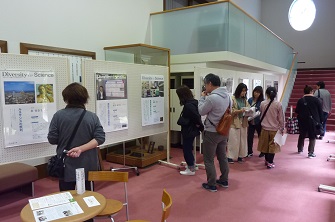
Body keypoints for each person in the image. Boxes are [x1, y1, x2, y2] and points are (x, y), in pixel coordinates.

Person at [48, 83, 105, 192]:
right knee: (87, 196)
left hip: (66, 164)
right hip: (88, 164)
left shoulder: (58, 116)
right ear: (84, 98)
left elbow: (52, 139)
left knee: (67, 196)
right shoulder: (92, 117)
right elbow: (100, 138)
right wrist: (80, 148)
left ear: (66, 99)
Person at [198, 73, 230, 192]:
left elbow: (201, 111)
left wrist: (202, 98)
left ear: (210, 83)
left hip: (211, 132)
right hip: (224, 131)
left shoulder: (212, 98)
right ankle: (224, 180)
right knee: (222, 156)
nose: (205, 87)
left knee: (208, 159)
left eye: (205, 84)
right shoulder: (227, 96)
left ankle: (211, 183)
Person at [176, 85, 204, 176]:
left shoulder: (188, 105)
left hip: (189, 130)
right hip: (192, 129)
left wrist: (200, 126)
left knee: (187, 149)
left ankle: (191, 169)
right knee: (189, 148)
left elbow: (196, 117)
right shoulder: (194, 102)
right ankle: (192, 165)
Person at [257, 87, 284, 169]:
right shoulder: (278, 104)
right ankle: (270, 162)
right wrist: (282, 127)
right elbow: (281, 117)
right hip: (274, 129)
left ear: (266, 94)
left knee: (265, 145)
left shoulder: (262, 103)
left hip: (264, 128)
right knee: (272, 146)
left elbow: (261, 114)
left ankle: (266, 160)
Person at [296, 85, 323, 158]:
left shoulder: (301, 100)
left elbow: (297, 111)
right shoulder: (317, 100)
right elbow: (320, 111)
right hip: (313, 121)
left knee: (302, 134)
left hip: (302, 120)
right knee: (312, 136)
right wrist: (321, 121)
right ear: (311, 91)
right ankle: (310, 152)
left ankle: (300, 149)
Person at [227, 83, 250, 164]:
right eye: (242, 91)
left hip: (243, 122)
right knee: (233, 140)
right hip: (234, 122)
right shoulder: (232, 99)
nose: (244, 93)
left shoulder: (245, 100)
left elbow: (249, 108)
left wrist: (250, 111)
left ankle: (241, 155)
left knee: (242, 140)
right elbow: (231, 111)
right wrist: (240, 111)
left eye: (245, 91)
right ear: (239, 90)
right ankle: (230, 156)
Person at [247, 86, 264, 157]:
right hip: (250, 121)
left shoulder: (262, 101)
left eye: (258, 92)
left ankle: (262, 151)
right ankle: (249, 151)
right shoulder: (250, 100)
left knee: (261, 137)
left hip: (258, 121)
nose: (256, 94)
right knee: (250, 137)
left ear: (260, 94)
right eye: (255, 92)